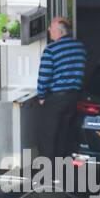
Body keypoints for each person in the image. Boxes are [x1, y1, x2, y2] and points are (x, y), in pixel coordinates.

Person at [35, 17, 87, 162]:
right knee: (64, 133)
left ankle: (48, 170)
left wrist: (41, 95)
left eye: (51, 28)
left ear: (59, 31)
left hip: (56, 98)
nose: (49, 31)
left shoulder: (51, 50)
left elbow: (44, 76)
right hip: (73, 97)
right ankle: (62, 167)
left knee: (48, 135)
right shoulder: (79, 47)